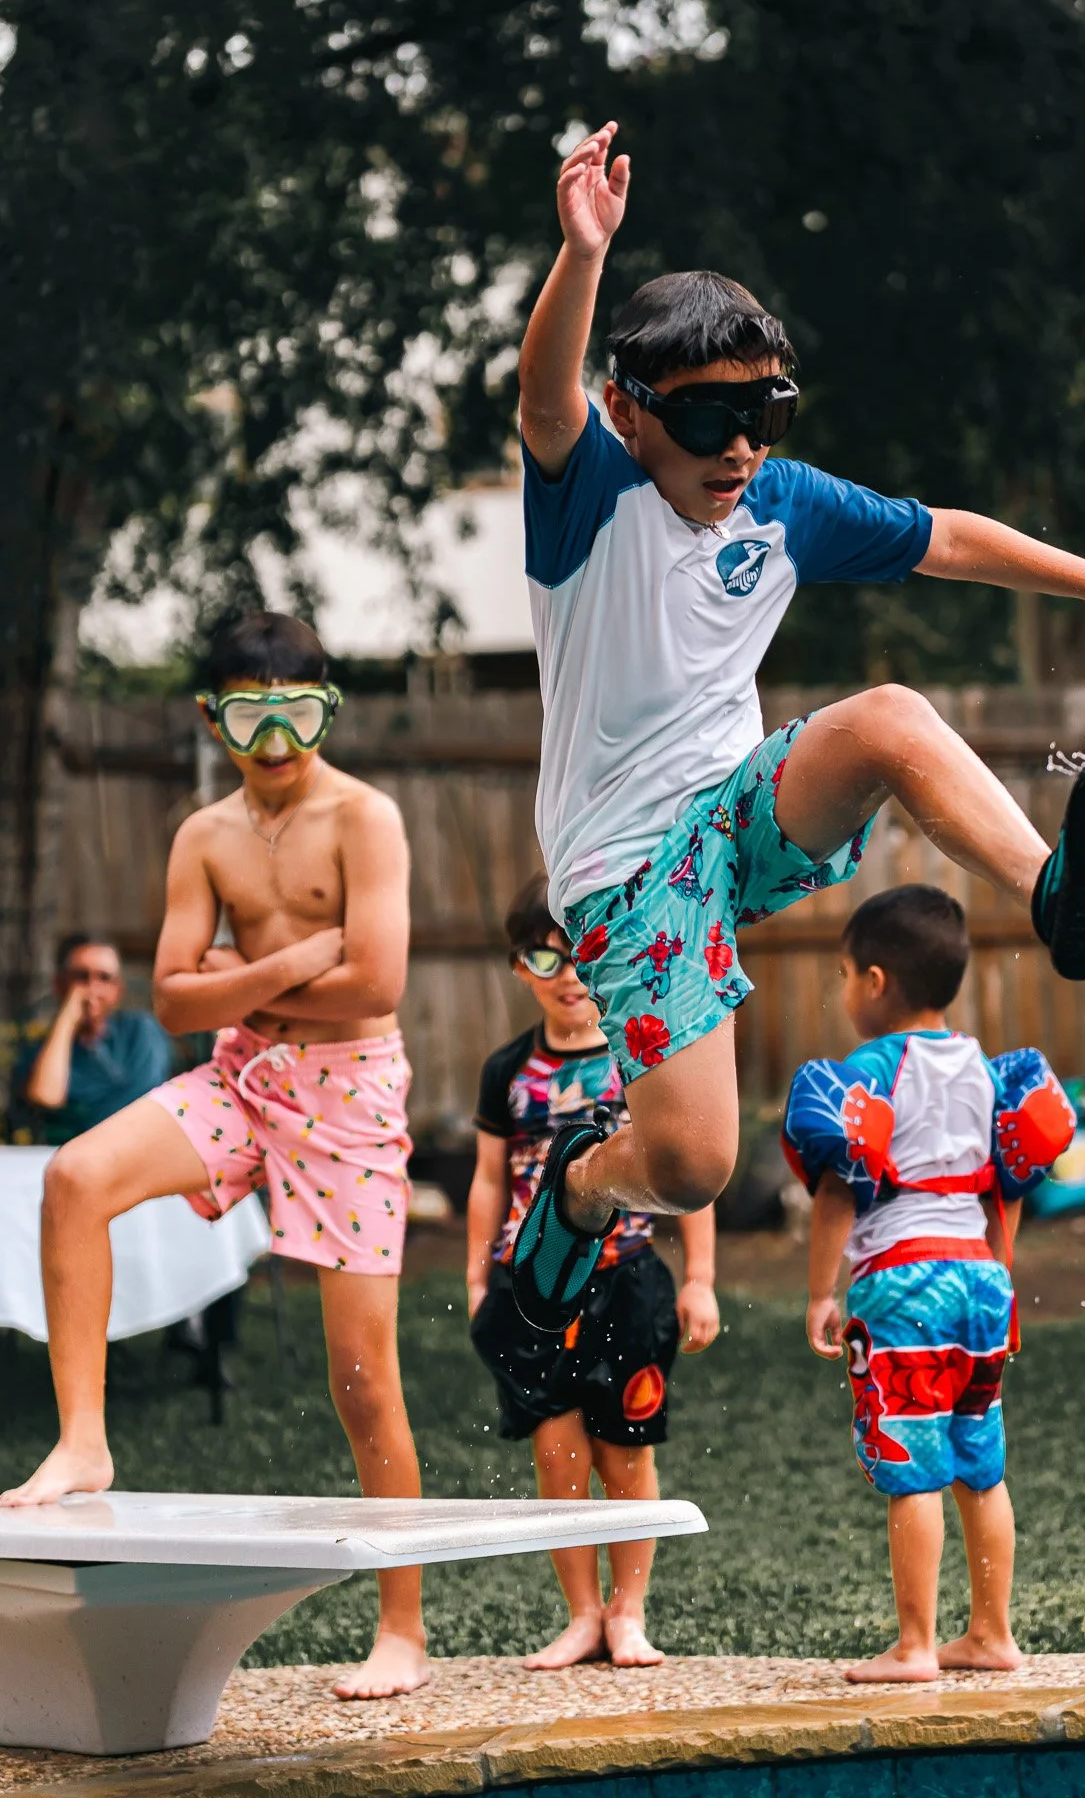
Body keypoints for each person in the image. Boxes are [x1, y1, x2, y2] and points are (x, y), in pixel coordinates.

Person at [508, 118, 1085, 1335]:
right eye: (704, 423)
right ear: (631, 414)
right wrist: (580, 258)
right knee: (694, 1167)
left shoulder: (780, 503)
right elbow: (541, 392)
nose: (737, 449)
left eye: (762, 417)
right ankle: (574, 1194)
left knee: (888, 714)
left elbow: (945, 535)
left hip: (736, 812)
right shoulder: (590, 496)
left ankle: (1057, 897)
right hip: (624, 871)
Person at [0, 611, 429, 1703]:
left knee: (363, 1377)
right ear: (213, 716)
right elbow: (171, 994)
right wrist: (295, 959)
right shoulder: (204, 833)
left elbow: (376, 985)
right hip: (244, 1073)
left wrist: (238, 972)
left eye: (296, 713)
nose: (274, 740)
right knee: (72, 1176)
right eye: (249, 715)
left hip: (349, 1091)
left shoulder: (365, 818)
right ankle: (86, 1439)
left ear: (326, 708)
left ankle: (403, 1626)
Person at [783, 885, 1075, 1681]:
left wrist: (819, 1294)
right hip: (980, 1284)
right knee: (979, 1463)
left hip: (903, 1284)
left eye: (843, 974)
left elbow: (838, 1190)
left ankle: (914, 1645)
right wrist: (1001, 1283)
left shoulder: (868, 1072)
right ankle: (991, 1634)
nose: (843, 990)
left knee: (910, 1466)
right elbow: (999, 1192)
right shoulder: (983, 1068)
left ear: (874, 982)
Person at [468, 874, 720, 1669]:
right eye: (545, 957)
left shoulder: (636, 1062)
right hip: (535, 1287)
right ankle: (580, 1614)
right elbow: (488, 1178)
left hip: (628, 1276)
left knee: (627, 1450)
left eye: (578, 952)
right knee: (557, 1451)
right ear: (519, 969)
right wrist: (479, 1276)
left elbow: (687, 1171)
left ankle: (628, 1611)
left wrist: (700, 1276)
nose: (568, 973)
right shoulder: (506, 1070)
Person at [12, 935, 173, 1146]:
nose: (92, 988)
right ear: (59, 985)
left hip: (135, 1150)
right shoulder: (40, 1050)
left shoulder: (140, 1029)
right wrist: (67, 1018)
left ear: (117, 990)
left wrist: (81, 1111)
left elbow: (145, 1095)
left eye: (104, 978)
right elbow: (45, 1097)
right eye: (81, 977)